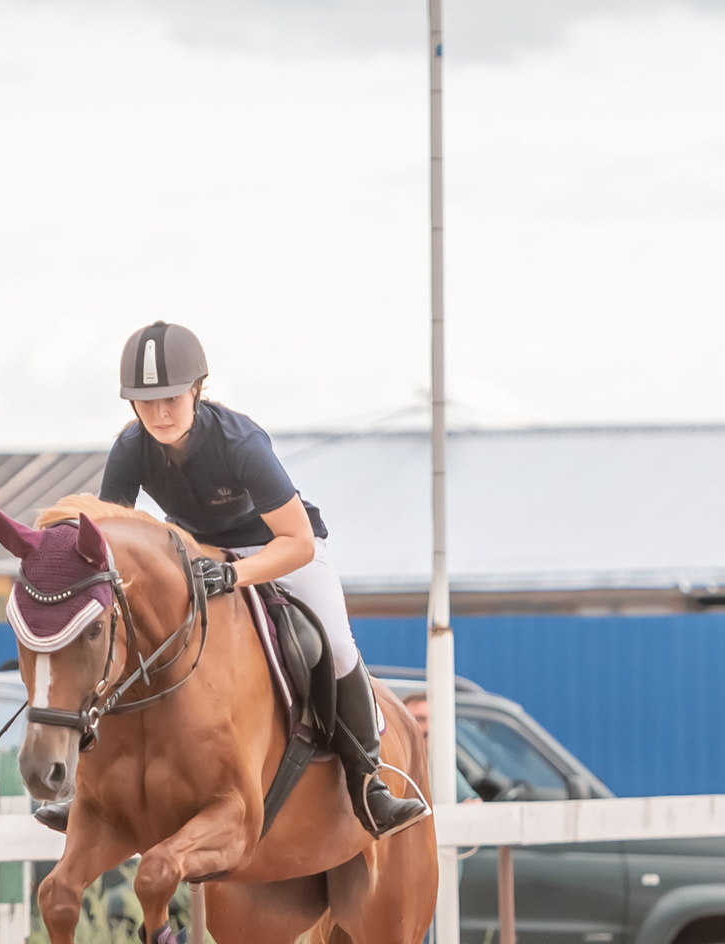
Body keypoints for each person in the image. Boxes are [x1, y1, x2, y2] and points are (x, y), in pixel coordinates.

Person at [30, 320, 428, 840]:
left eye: (171, 399)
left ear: (197, 390)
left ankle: (368, 782)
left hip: (278, 549)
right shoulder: (130, 448)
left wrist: (236, 574)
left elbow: (298, 541)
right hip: (200, 556)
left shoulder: (239, 441)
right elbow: (107, 538)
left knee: (333, 643)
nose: (160, 414)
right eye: (146, 403)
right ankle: (92, 788)